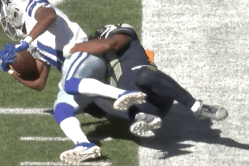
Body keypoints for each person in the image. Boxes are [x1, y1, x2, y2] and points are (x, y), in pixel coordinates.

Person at [0, 0, 146, 164]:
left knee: (69, 84)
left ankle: (121, 94)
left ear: (16, 11)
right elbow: (38, 82)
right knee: (61, 109)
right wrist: (11, 71)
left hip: (85, 54)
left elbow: (48, 17)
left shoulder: (33, 6)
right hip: (77, 72)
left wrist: (26, 41)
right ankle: (85, 144)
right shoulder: (34, 42)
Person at [63, 23, 229, 136]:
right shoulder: (100, 67)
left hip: (155, 91)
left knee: (143, 76)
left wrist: (73, 49)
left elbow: (107, 45)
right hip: (142, 106)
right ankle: (142, 118)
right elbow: (98, 112)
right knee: (88, 92)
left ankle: (197, 107)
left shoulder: (122, 33)